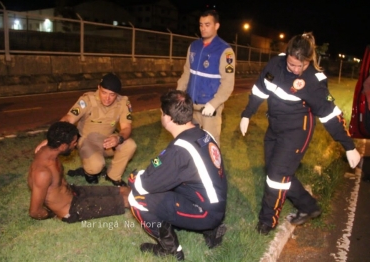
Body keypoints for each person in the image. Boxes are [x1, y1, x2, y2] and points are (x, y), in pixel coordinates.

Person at [239, 32, 361, 235]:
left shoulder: (313, 81)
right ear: (286, 54)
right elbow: (260, 89)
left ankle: (267, 221)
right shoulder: (275, 65)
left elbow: (330, 116)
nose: (296, 70)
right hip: (275, 127)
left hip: (297, 131)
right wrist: (247, 114)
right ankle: (309, 206)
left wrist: (349, 146)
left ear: (309, 61)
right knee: (276, 172)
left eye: (301, 66)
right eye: (293, 64)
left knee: (277, 176)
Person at [128, 90, 227, 260]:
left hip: (206, 213)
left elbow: (144, 184)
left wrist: (134, 177)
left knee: (136, 199)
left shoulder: (180, 150)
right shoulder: (204, 134)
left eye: (161, 112)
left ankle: (171, 250)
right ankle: (211, 231)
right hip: (215, 204)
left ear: (168, 117)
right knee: (173, 183)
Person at [35, 73, 137, 186]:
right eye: (104, 93)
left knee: (130, 145)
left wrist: (118, 138)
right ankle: (89, 173)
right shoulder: (87, 100)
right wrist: (53, 138)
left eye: (112, 95)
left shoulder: (123, 102)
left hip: (108, 141)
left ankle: (113, 176)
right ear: (98, 88)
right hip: (87, 141)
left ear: (117, 94)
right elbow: (69, 119)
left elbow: (126, 127)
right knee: (96, 166)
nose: (107, 98)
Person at [28, 121, 130, 222]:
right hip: (72, 209)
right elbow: (34, 211)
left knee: (123, 190)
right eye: (74, 143)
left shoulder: (49, 148)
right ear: (63, 146)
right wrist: (51, 213)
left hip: (74, 191)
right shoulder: (42, 173)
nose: (75, 145)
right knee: (126, 200)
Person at [177, 9, 235, 146]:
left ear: (217, 26)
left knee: (210, 145)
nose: (203, 28)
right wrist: (178, 95)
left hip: (209, 108)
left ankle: (214, 168)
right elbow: (186, 73)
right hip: (190, 105)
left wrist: (213, 104)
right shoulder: (193, 46)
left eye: (207, 24)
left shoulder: (225, 51)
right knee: (189, 142)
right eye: (201, 24)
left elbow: (227, 84)